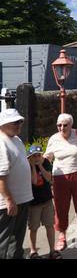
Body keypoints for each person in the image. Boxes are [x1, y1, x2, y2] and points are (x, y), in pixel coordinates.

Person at [44, 113, 77, 251]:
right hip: (60, 177)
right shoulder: (54, 139)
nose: (62, 128)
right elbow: (47, 158)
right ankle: (62, 235)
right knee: (60, 207)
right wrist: (36, 163)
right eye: (59, 125)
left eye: (65, 125)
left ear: (71, 125)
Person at [0, 109, 33, 259]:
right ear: (3, 124)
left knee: (17, 239)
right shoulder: (1, 143)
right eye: (15, 122)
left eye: (20, 121)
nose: (19, 124)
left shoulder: (16, 139)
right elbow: (1, 176)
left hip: (21, 199)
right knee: (3, 240)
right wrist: (9, 200)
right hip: (9, 202)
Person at [26, 145, 61, 259]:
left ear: (42, 155)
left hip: (46, 200)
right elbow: (34, 181)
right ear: (29, 157)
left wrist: (40, 165)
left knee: (49, 225)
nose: (36, 158)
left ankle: (52, 249)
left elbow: (47, 178)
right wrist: (32, 166)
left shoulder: (45, 163)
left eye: (38, 156)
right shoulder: (27, 166)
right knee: (33, 228)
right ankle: (33, 251)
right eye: (33, 156)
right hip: (34, 203)